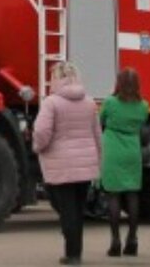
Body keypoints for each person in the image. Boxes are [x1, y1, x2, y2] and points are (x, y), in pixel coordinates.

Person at [32, 62, 102, 266]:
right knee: (77, 210)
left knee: (65, 209)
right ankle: (75, 252)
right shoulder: (89, 102)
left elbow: (42, 132)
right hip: (85, 165)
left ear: (55, 78)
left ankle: (72, 254)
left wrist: (37, 146)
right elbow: (97, 134)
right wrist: (98, 160)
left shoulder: (51, 102)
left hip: (60, 164)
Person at [99, 67, 149, 257]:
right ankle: (133, 240)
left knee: (113, 196)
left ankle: (115, 241)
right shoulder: (143, 105)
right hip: (132, 148)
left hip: (112, 147)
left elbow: (100, 120)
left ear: (118, 83)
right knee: (132, 194)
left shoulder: (110, 102)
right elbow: (142, 122)